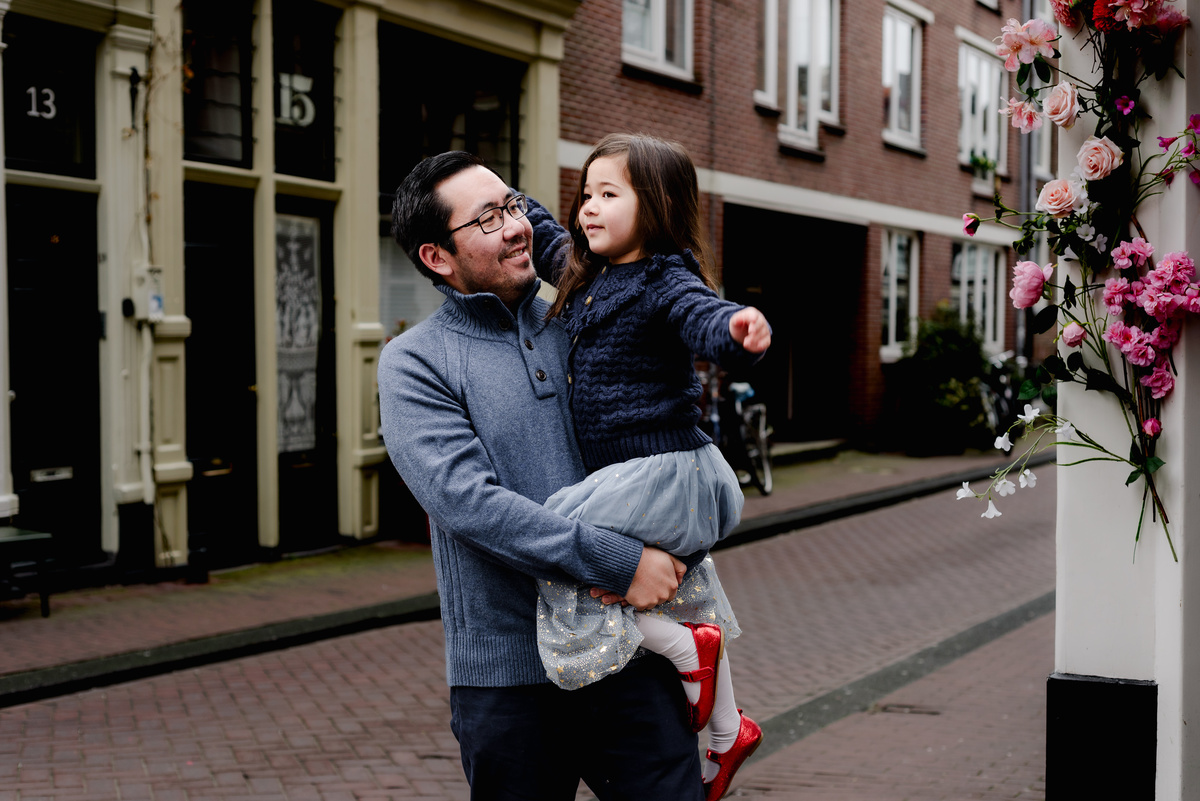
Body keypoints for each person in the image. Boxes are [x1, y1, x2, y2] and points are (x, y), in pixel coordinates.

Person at [379, 150, 708, 801]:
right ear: (437, 257)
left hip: (628, 654)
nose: (516, 226)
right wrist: (621, 563)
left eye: (513, 205)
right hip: (511, 681)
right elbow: (471, 506)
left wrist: (678, 548)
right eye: (487, 219)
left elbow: (665, 443)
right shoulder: (414, 363)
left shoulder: (587, 318)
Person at [530, 133, 767, 801]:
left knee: (555, 544)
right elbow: (546, 239)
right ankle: (728, 730)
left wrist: (738, 332)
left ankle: (685, 649)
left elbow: (704, 316)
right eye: (586, 193)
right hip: (638, 477)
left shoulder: (666, 278)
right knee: (681, 588)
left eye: (609, 194)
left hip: (664, 470)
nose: (589, 207)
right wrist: (504, 196)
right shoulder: (585, 270)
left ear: (657, 205)